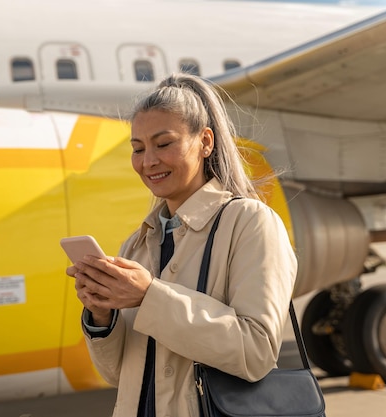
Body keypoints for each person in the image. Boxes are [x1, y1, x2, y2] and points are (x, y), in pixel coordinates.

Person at [66, 73, 297, 417]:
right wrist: (102, 315)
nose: (148, 162)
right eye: (138, 149)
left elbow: (257, 353)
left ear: (205, 141)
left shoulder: (250, 223)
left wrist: (148, 297)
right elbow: (119, 375)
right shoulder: (138, 243)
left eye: (163, 144)